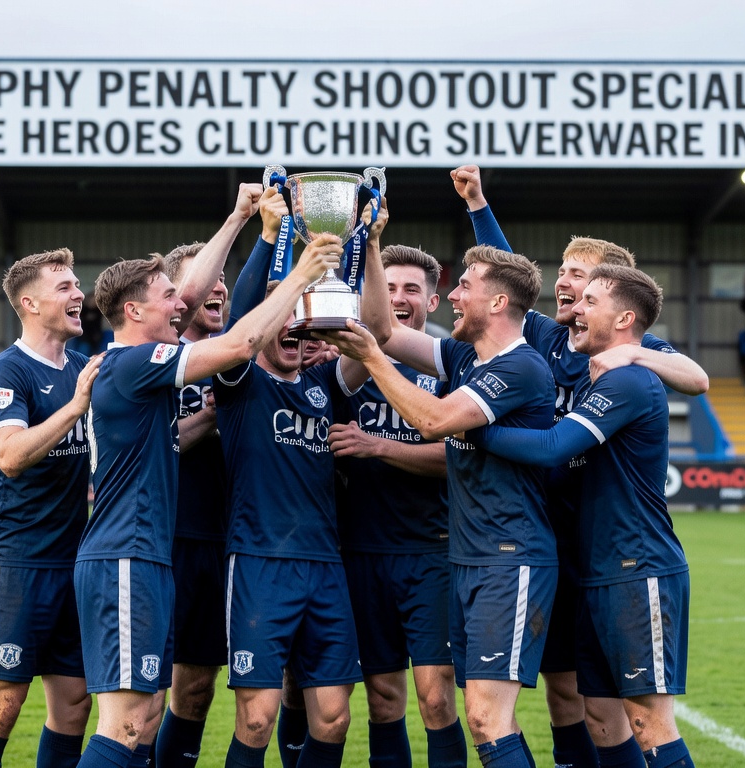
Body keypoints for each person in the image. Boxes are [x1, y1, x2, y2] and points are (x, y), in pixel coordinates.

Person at [75, 185, 344, 768]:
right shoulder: (135, 364)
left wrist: (243, 217)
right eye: (168, 298)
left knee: (144, 712)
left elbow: (197, 298)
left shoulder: (134, 356)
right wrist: (299, 275)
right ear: (134, 311)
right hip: (129, 553)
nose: (185, 304)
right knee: (126, 723)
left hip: (145, 553)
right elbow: (242, 340)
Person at [453, 164, 708, 768]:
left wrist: (633, 353)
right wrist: (478, 205)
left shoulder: (630, 363)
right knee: (582, 703)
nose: (566, 285)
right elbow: (506, 283)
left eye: (581, 279)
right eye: (564, 275)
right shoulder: (547, 339)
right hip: (563, 550)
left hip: (625, 556)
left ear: (614, 302)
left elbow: (696, 379)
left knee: (638, 715)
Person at [320, 239, 556, 768]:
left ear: (497, 303)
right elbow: (384, 331)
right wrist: (372, 244)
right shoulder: (466, 357)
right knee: (482, 717)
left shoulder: (521, 367)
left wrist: (374, 363)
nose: (452, 296)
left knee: (480, 716)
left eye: (465, 287)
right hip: (471, 559)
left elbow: (434, 421)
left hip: (508, 555)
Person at [215, 188, 374, 768]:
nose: (290, 332)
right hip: (258, 564)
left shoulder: (324, 386)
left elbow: (374, 331)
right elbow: (239, 328)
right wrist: (267, 239)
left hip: (325, 566)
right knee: (256, 718)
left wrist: (367, 242)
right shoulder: (238, 384)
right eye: (279, 322)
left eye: (298, 324)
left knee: (333, 717)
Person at [0, 248, 105, 768]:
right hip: (16, 562)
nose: (78, 295)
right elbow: (11, 455)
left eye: (76, 285)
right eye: (64, 286)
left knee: (74, 704)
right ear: (29, 302)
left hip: (74, 563)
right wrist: (75, 408)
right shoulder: (6, 372)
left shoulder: (80, 370)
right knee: (3, 705)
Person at [331, 239, 467, 768]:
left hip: (430, 551)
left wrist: (377, 446)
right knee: (384, 699)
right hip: (360, 551)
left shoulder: (445, 362)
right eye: (386, 287)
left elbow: (460, 455)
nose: (399, 297)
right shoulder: (343, 368)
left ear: (432, 302)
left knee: (436, 697)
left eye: (412, 289)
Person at [150, 241, 231, 768]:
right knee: (147, 694)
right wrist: (209, 417)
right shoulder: (152, 361)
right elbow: (149, 447)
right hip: (165, 541)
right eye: (208, 276)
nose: (219, 284)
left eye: (226, 275)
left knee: (198, 689)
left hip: (229, 543)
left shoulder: (245, 359)